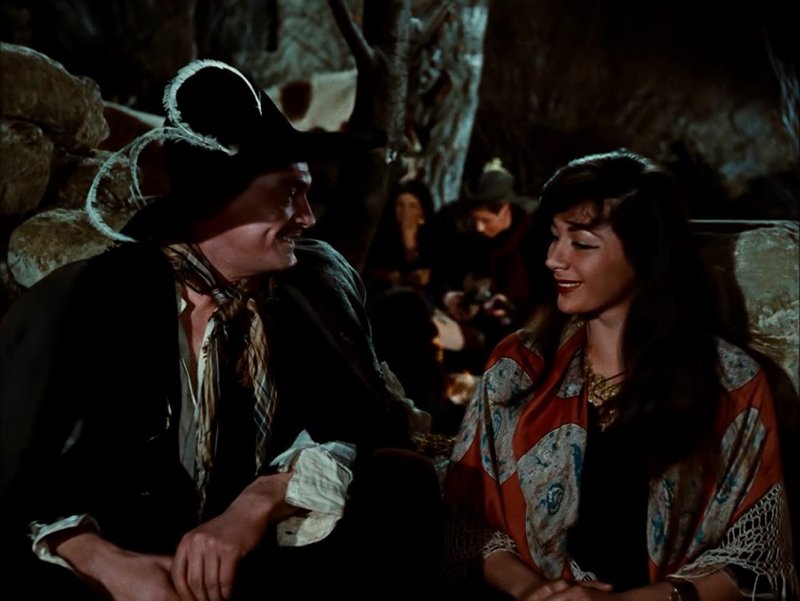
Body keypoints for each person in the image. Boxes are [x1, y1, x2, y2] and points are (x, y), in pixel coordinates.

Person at [0, 59, 443, 600]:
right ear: (218, 198)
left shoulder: (307, 294)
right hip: (126, 568)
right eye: (288, 193)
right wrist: (106, 562)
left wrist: (259, 502)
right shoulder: (92, 301)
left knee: (402, 480)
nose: (307, 217)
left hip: (254, 568)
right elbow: (24, 480)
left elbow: (355, 429)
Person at [443, 150, 797, 599]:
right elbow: (466, 519)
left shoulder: (731, 383)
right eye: (554, 237)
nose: (554, 259)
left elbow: (755, 556)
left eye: (581, 243)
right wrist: (534, 590)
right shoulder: (519, 366)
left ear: (646, 253)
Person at [430, 158, 538, 373]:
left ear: (505, 211)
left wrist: (511, 308)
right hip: (476, 333)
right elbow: (441, 277)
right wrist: (449, 297)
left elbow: (542, 304)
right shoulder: (474, 240)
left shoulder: (533, 244)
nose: (479, 227)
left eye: (486, 221)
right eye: (476, 220)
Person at [363, 178, 437, 298]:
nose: (405, 211)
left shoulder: (432, 237)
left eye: (412, 206)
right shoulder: (382, 234)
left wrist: (426, 276)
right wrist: (388, 275)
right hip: (384, 294)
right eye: (400, 205)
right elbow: (369, 268)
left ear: (422, 211)